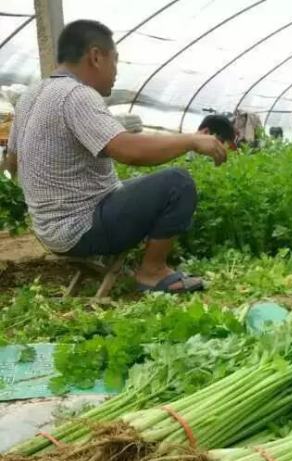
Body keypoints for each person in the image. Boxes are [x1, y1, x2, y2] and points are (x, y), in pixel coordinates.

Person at [3, 20, 227, 293]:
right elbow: (129, 152)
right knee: (177, 182)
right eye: (115, 61)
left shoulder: (31, 96)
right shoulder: (76, 95)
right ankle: (152, 272)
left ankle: (150, 268)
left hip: (48, 230)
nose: (116, 72)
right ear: (96, 56)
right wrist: (191, 140)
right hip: (82, 228)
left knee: (139, 185)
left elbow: (12, 163)